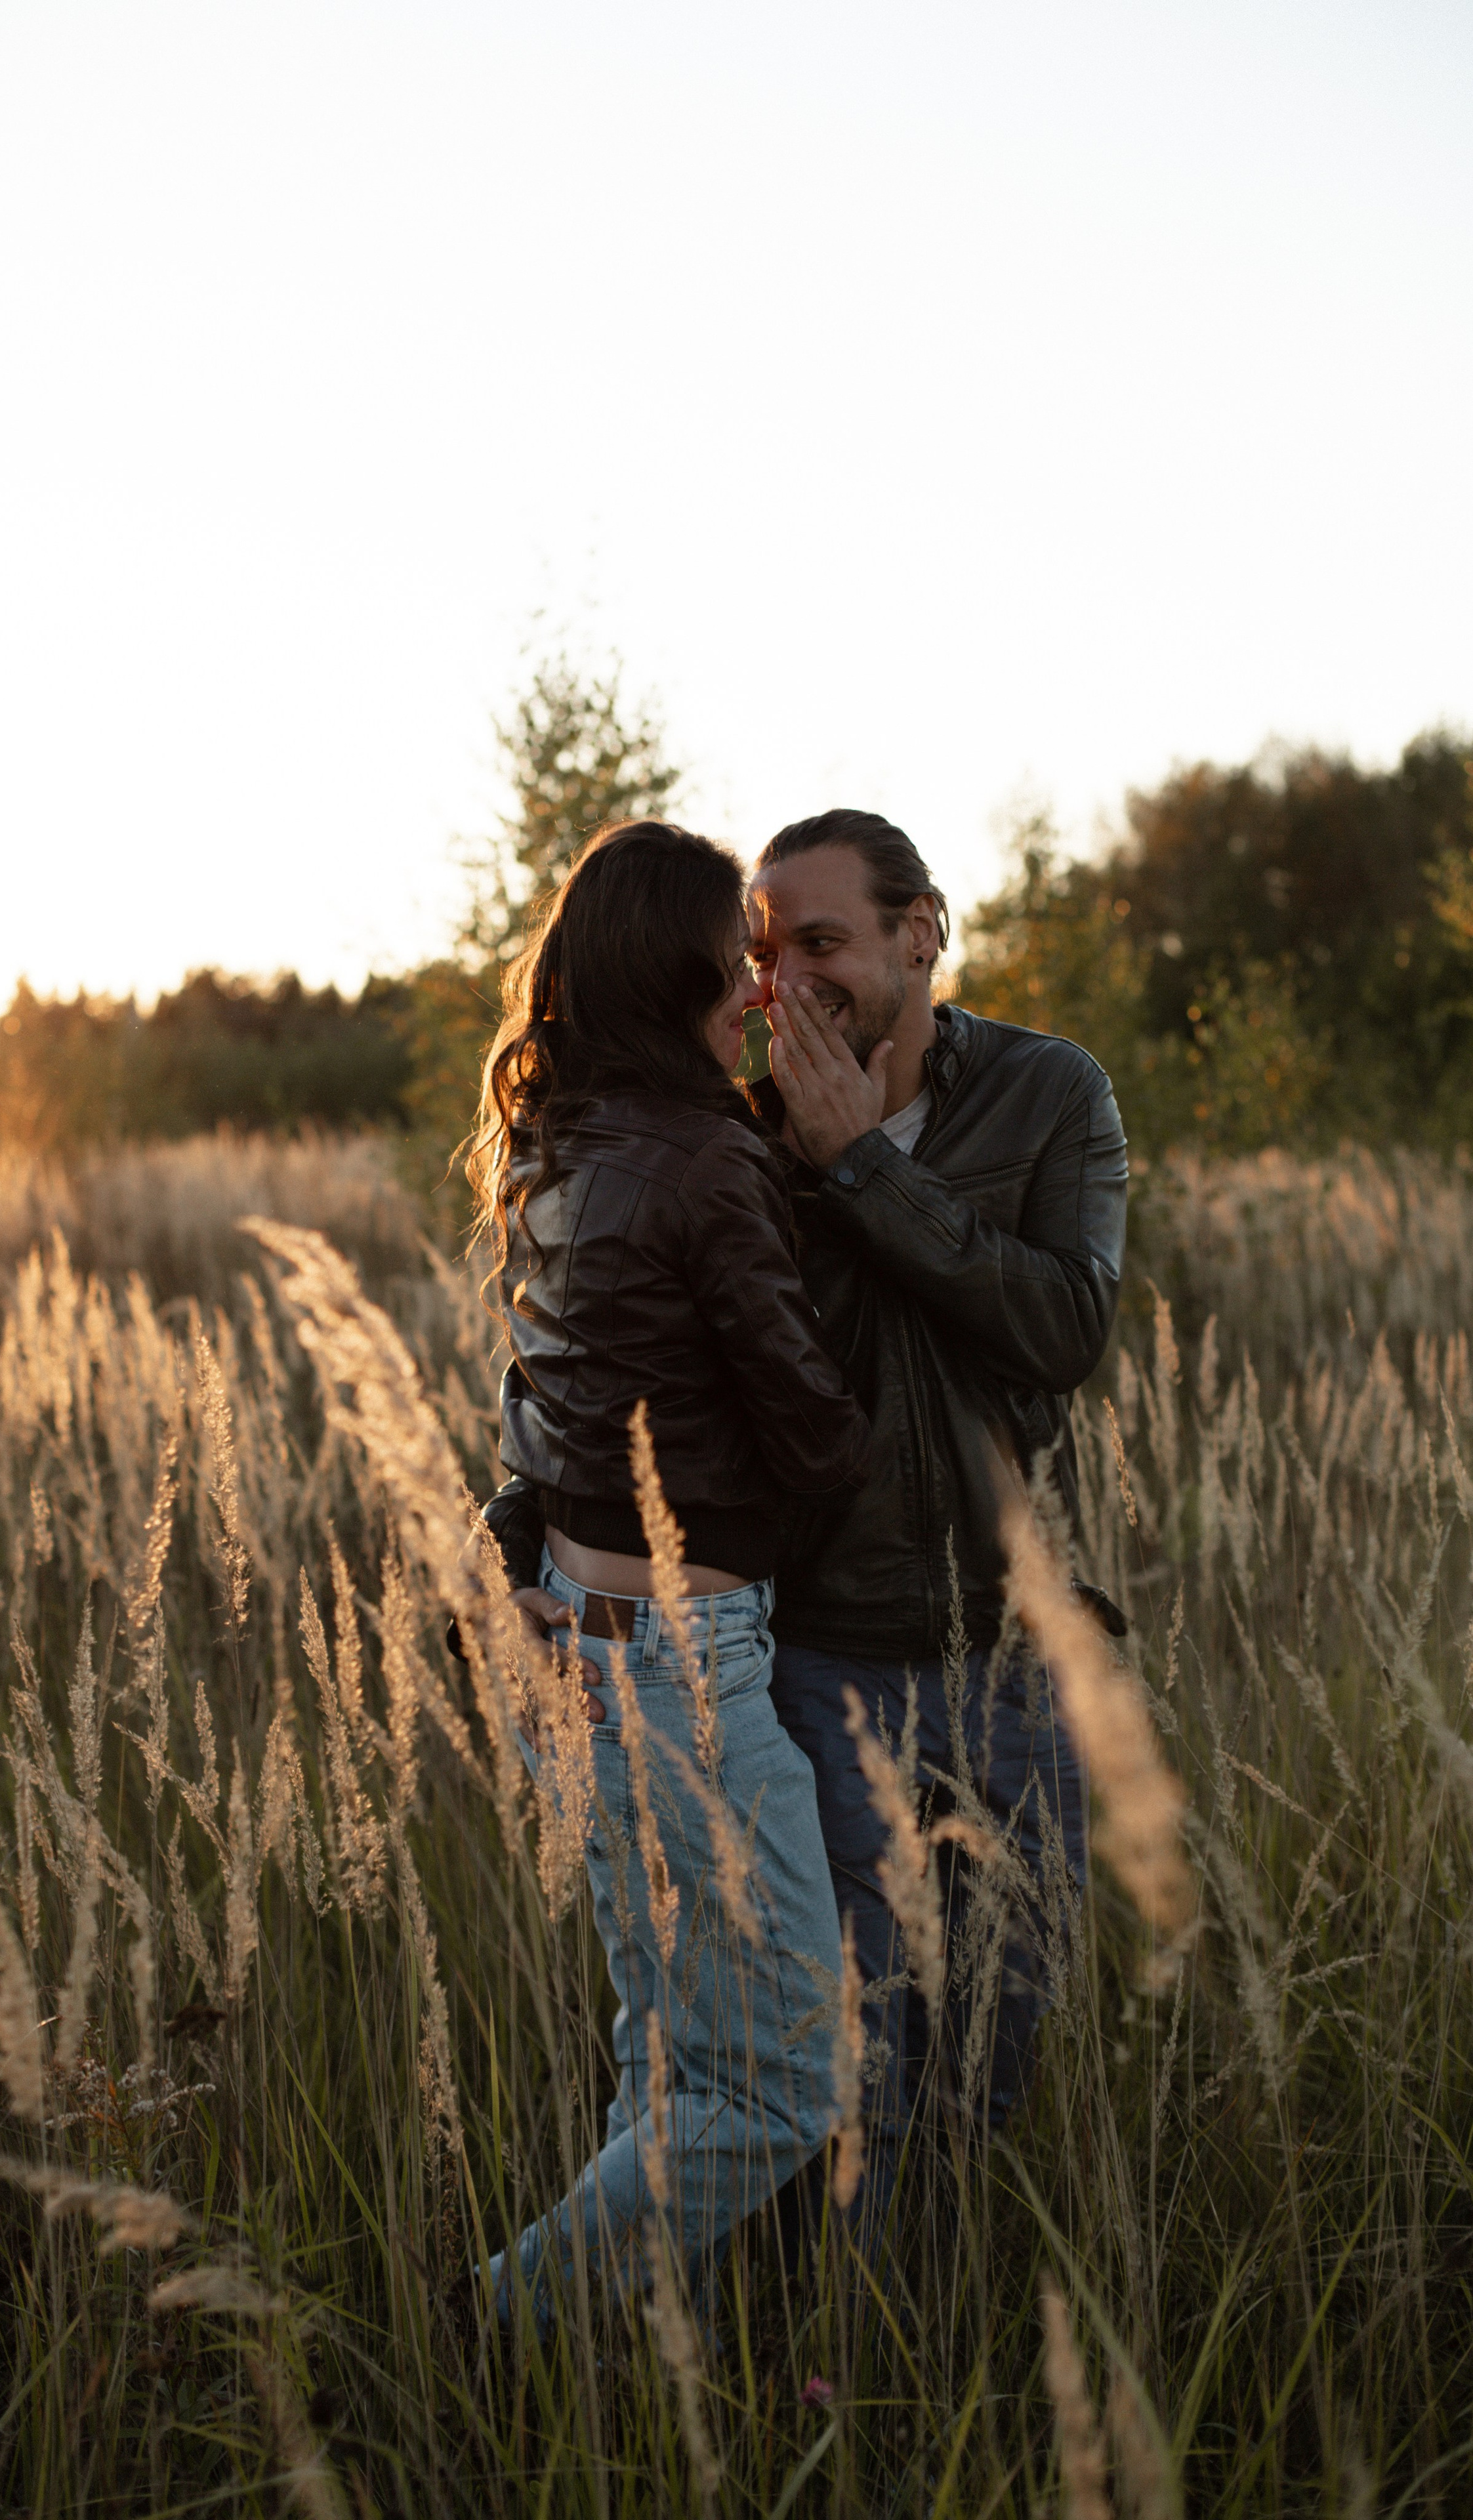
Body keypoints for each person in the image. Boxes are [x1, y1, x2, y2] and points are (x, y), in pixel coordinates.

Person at [489, 807, 1128, 2246]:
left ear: (921, 934)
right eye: (764, 954)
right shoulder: (727, 1121)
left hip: (1016, 1656)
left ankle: (937, 2329)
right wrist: (514, 1542)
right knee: (850, 2060)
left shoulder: (1044, 1094)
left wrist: (866, 1171)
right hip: (812, 1659)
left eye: (821, 944)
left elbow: (1064, 1326)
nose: (784, 983)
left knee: (996, 2042)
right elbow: (598, 1360)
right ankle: (837, 2354)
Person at [468, 818, 871, 2327]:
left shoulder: (560, 1141)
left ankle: (606, 2366)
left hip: (578, 1634)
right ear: (681, 972)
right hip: (683, 1673)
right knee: (780, 2087)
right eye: (741, 960)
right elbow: (818, 1442)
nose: (761, 990)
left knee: (674, 2059)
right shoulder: (707, 1159)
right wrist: (844, 1192)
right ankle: (498, 2323)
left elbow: (549, 1407)